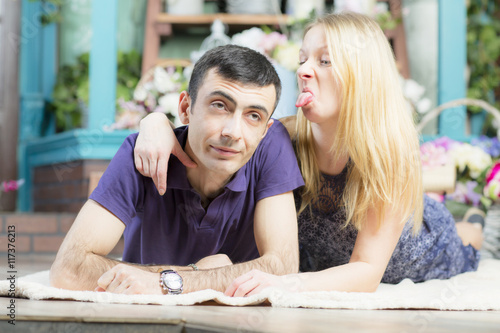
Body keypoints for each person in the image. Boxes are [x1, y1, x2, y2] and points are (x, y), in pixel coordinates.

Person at [135, 12, 485, 296]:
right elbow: (215, 134)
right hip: (331, 259)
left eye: (325, 61)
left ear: (362, 76)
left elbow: (366, 272)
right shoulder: (282, 137)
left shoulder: (389, 154)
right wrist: (154, 123)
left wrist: (289, 283)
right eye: (302, 59)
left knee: (470, 240)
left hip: (421, 250)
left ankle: (475, 223)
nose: (303, 71)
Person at [50, 45, 304, 295]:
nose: (233, 133)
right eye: (219, 105)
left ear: (264, 131)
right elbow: (68, 269)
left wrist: (167, 282)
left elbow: (283, 268)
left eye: (253, 116)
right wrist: (191, 273)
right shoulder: (142, 152)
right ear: (185, 109)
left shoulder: (272, 148)